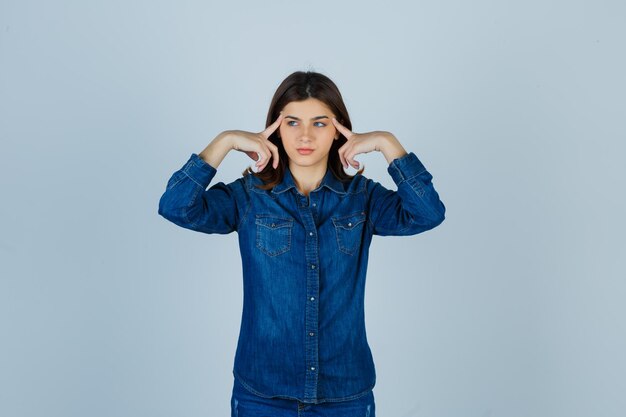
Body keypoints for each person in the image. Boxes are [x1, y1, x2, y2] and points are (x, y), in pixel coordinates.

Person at [158, 70, 446, 417]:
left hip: (344, 394)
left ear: (339, 129)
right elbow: (175, 206)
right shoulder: (249, 197)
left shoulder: (363, 198)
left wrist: (387, 142)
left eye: (320, 123)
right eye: (292, 122)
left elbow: (427, 213)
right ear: (276, 128)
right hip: (262, 393)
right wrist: (226, 140)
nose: (305, 135)